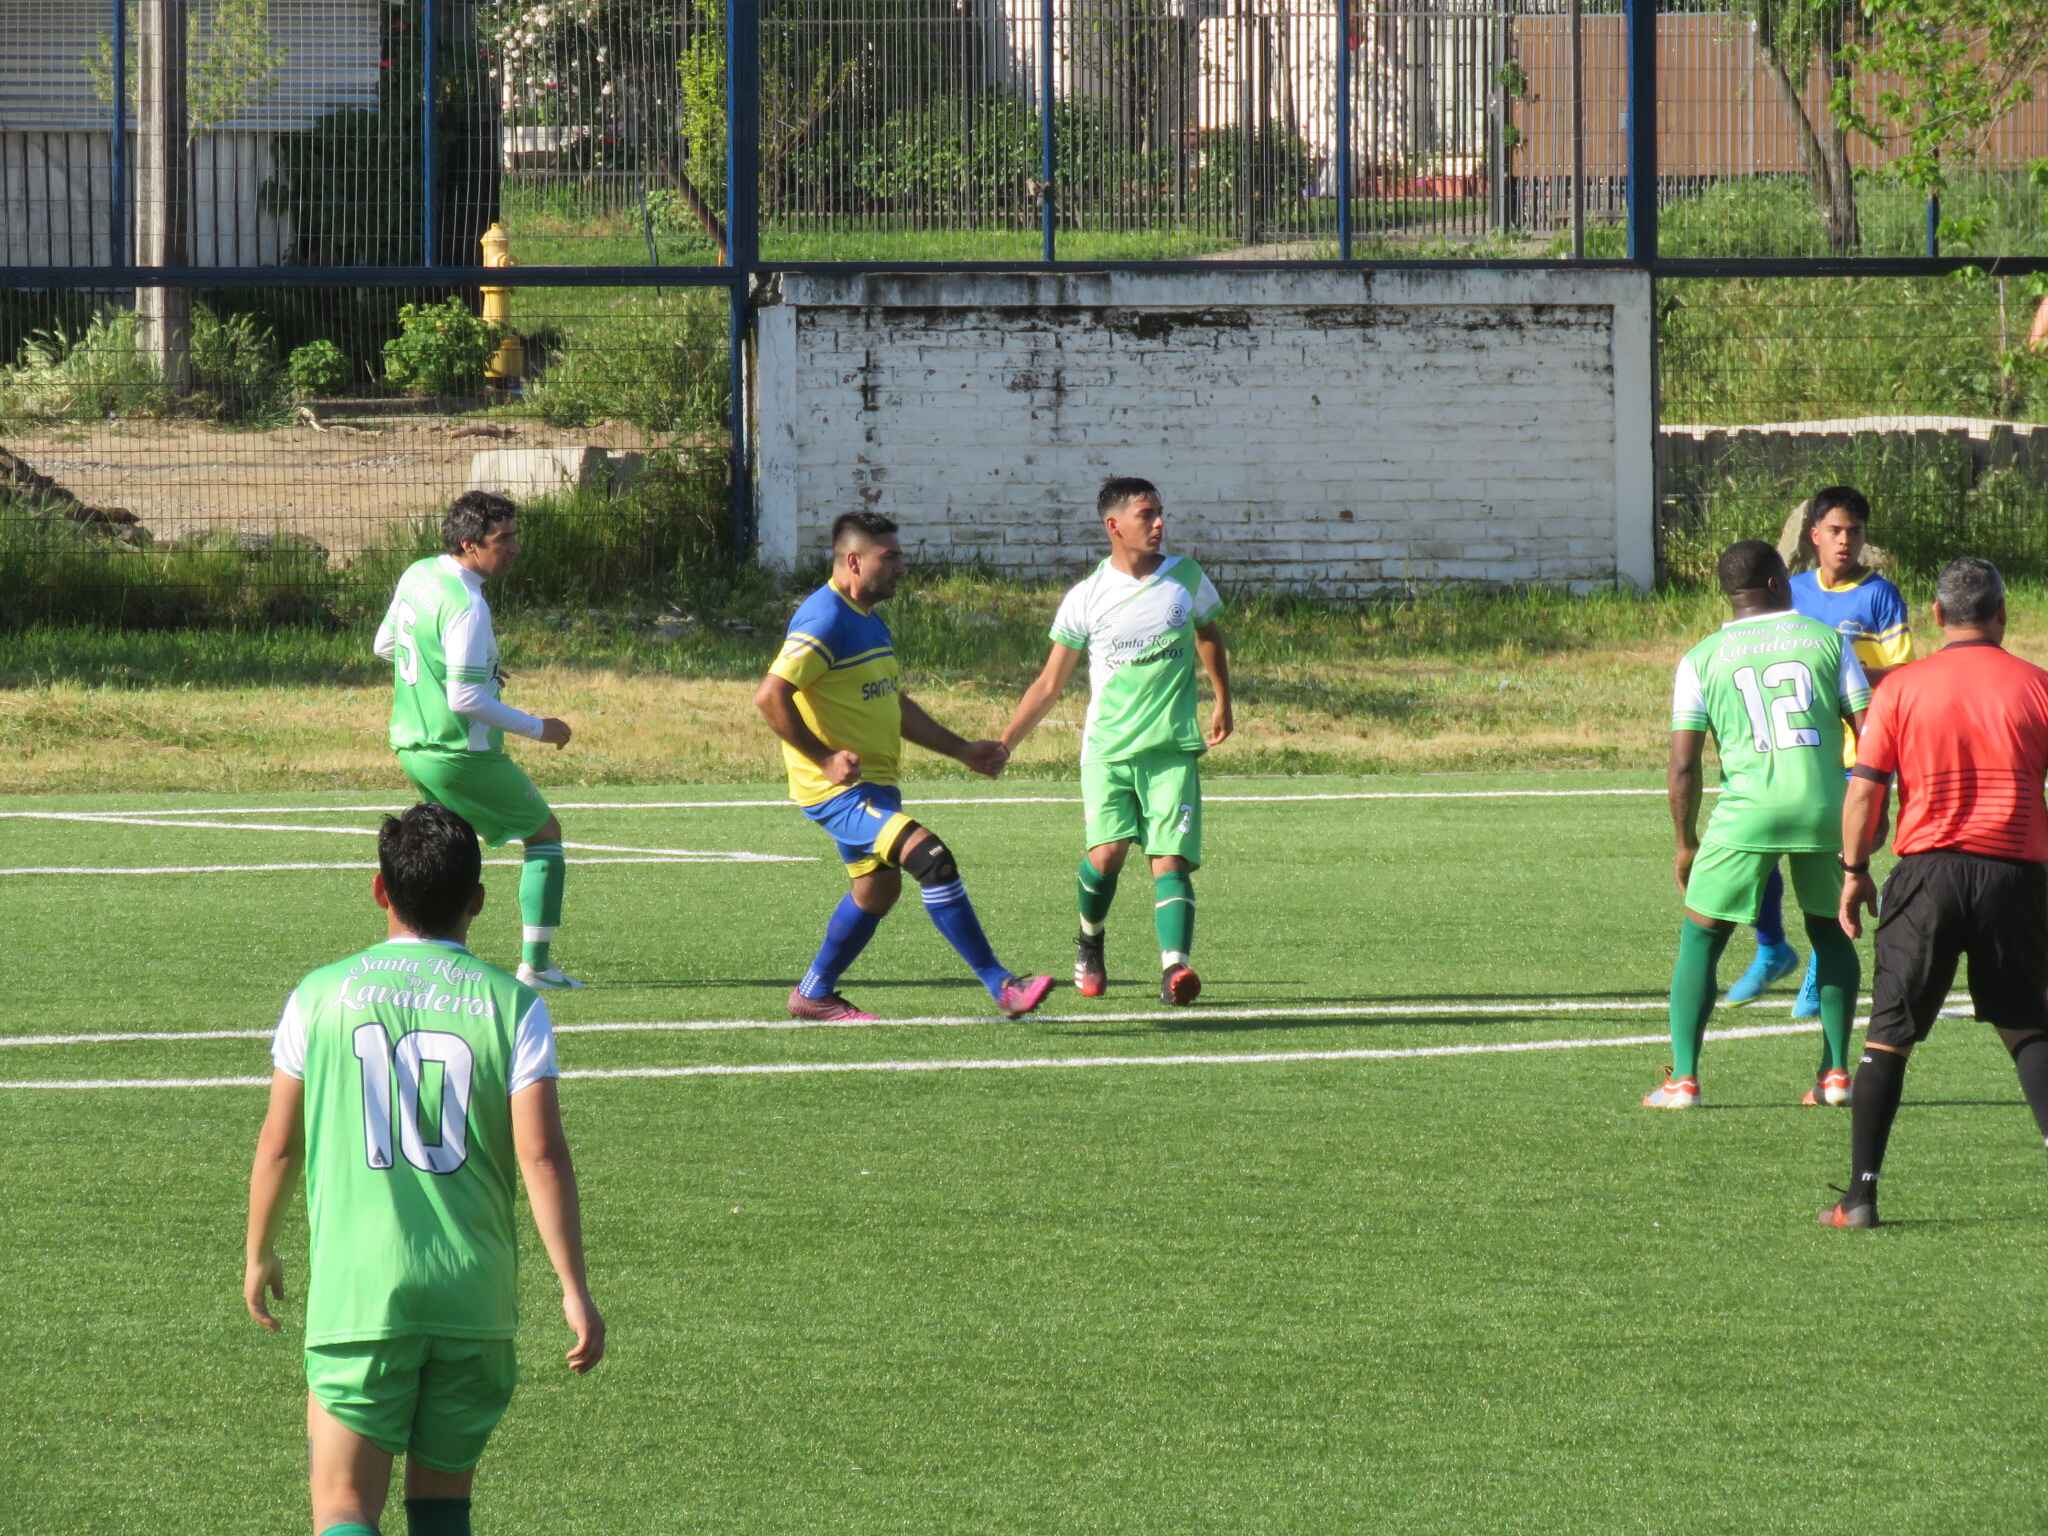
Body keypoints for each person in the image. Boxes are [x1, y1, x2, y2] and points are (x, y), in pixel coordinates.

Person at [243, 803, 604, 1536]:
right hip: (474, 1298)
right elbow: (542, 1155)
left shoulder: (321, 995)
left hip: (362, 1300)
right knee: (443, 1510)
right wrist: (574, 1289)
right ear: (477, 899)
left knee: (344, 1507)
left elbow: (279, 1144)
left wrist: (258, 1253)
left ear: (380, 890)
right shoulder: (515, 1006)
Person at [755, 510, 1053, 1023]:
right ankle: (1001, 985)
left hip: (874, 786)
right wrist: (823, 758)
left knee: (877, 890)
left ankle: (813, 993)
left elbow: (893, 704)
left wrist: (961, 750)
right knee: (931, 858)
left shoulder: (869, 621)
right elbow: (770, 696)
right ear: (853, 561)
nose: (902, 566)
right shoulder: (823, 619)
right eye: (888, 557)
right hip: (837, 792)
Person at [1822, 557, 2048, 1227]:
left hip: (1928, 873)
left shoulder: (1902, 688)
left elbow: (1865, 789)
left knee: (1889, 1035)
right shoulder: (2038, 687)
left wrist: (1855, 869)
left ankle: (1860, 1195)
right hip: (2014, 872)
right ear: (2002, 617)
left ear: (1938, 617)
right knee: (2030, 1028)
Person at [1648, 540, 1870, 1110]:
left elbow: (1683, 763)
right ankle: (1837, 1073)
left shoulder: (1702, 656)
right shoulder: (1829, 642)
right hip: (1825, 807)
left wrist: (1684, 841)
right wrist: (1874, 809)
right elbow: (1871, 731)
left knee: (1702, 937)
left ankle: (1685, 1080)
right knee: (1832, 929)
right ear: (1778, 584)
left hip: (1747, 811)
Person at [998, 477, 1233, 1005]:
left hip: (1171, 748)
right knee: (1105, 857)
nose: (1158, 524)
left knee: (1169, 859)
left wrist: (1223, 698)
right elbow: (1049, 683)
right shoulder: (1086, 598)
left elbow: (1208, 635)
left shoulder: (1185, 577)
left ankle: (1175, 969)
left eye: (1160, 513)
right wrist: (1006, 743)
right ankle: (1090, 939)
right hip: (1108, 751)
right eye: (1146, 514)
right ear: (1113, 526)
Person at [374, 491, 582, 990]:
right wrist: (539, 727)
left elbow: (386, 644)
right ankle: (537, 967)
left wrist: (471, 667)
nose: (513, 548)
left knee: (447, 852)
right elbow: (465, 699)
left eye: (514, 536)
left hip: (411, 745)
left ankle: (424, 954)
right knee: (544, 836)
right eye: (502, 539)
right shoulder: (467, 603)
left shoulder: (419, 573)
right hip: (460, 753)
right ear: (470, 544)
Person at [1725, 486, 1912, 1029]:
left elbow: (1901, 674)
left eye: (1854, 531)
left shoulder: (1880, 597)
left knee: (1835, 862)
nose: (1845, 541)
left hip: (1857, 748)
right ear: (1814, 536)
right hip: (1798, 747)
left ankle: (1818, 965)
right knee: (1762, 847)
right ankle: (1770, 948)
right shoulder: (1793, 591)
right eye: (1834, 530)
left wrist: (1840, 668)